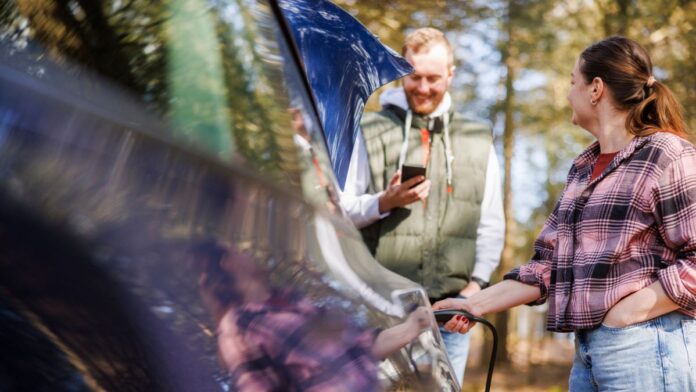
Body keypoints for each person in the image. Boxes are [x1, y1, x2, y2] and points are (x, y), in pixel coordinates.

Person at [434, 36, 696, 391]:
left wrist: (626, 315)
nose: (568, 93)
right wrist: (472, 304)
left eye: (574, 82)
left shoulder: (667, 155)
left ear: (596, 89)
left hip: (647, 347)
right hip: (589, 351)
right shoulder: (583, 169)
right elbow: (548, 267)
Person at [340, 27, 505, 383]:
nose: (424, 88)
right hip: (380, 310)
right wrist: (385, 201)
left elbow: (491, 225)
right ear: (401, 72)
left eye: (434, 78)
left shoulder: (477, 138)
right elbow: (341, 209)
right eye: (414, 77)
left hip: (449, 315)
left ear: (451, 74)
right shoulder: (368, 129)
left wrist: (472, 292)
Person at [192, 242, 432, 392]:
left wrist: (411, 327)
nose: (247, 251)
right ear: (228, 263)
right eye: (238, 249)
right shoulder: (237, 327)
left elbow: (360, 345)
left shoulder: (289, 299)